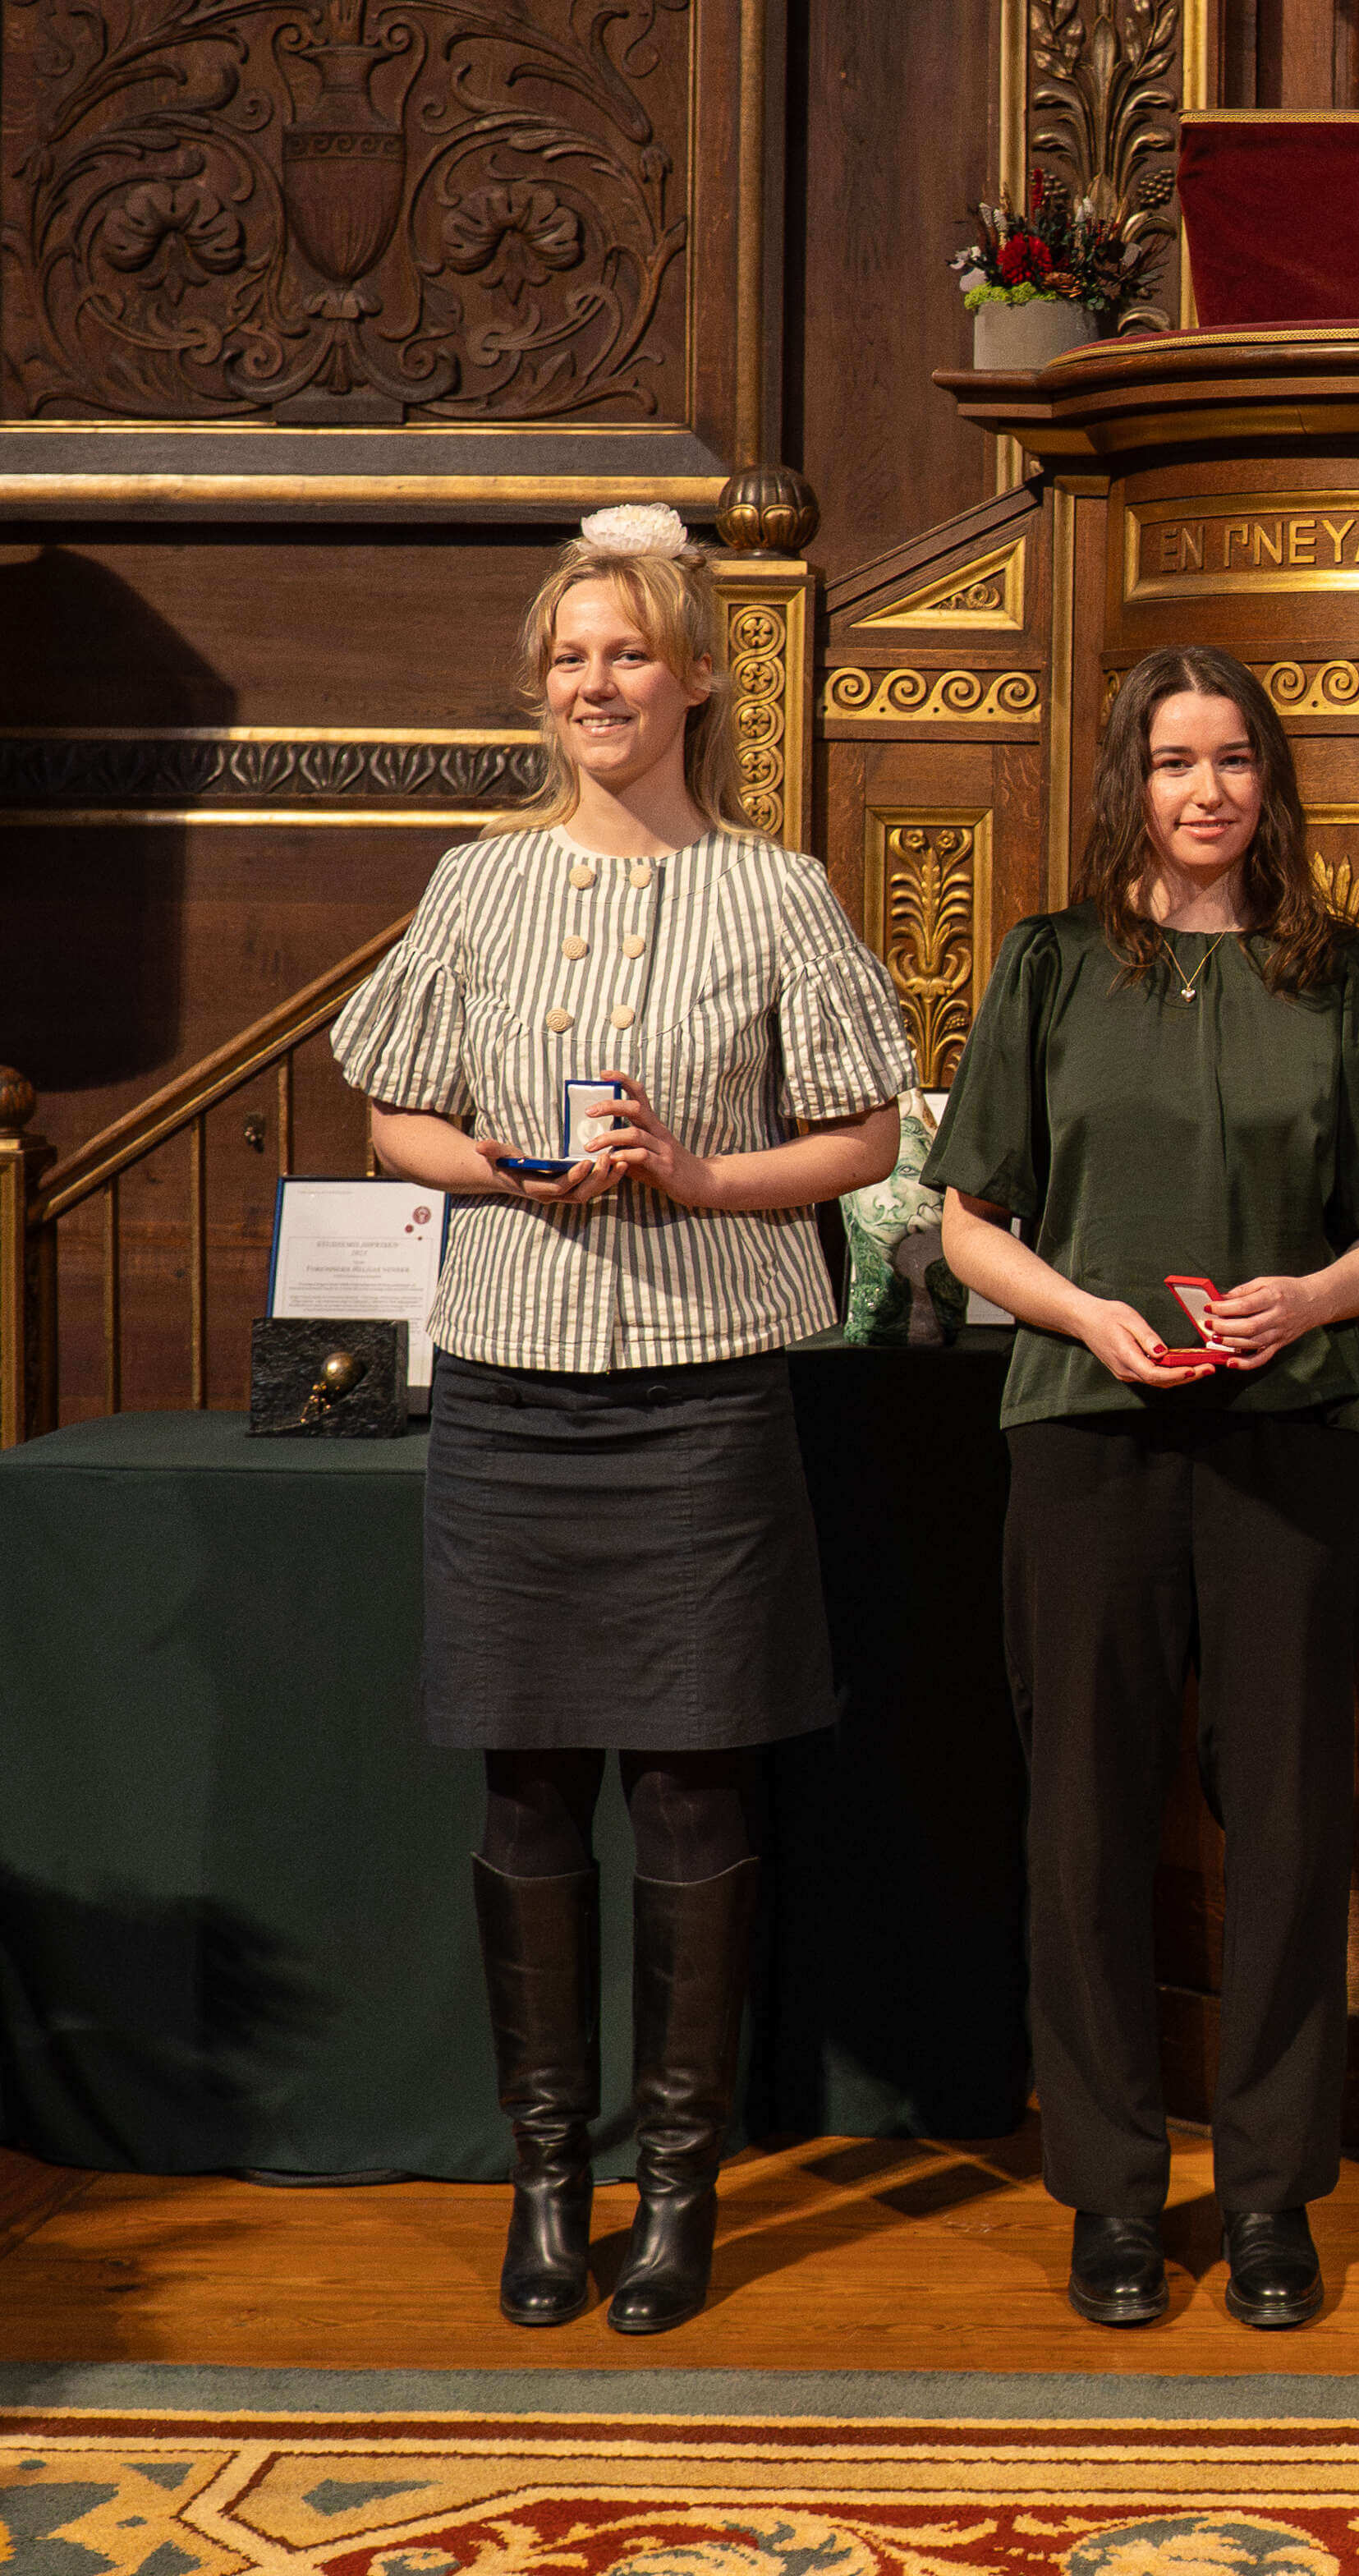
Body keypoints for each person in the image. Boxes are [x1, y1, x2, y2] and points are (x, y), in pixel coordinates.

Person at [328, 504, 912, 2335]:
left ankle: (676, 2187)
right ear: (543, 688)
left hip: (699, 1396)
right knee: (523, 1780)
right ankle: (545, 2178)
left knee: (688, 1781)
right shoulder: (476, 883)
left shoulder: (776, 891)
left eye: (627, 653)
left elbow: (865, 1138)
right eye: (569, 657)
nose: (596, 682)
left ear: (696, 680)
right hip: (510, 1388)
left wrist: (701, 1172)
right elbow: (393, 1118)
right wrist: (508, 1165)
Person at [929, 644, 1359, 2333]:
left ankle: (1272, 2195)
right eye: (1171, 760)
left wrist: (1308, 1298)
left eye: (1231, 759)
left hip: (1290, 1432)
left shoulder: (1338, 972)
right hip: (1085, 1428)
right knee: (1084, 1818)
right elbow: (967, 1222)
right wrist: (1087, 1313)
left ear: (1269, 781)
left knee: (1287, 1820)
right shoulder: (1051, 963)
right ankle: (1114, 2197)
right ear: (1126, 784)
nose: (1205, 789)